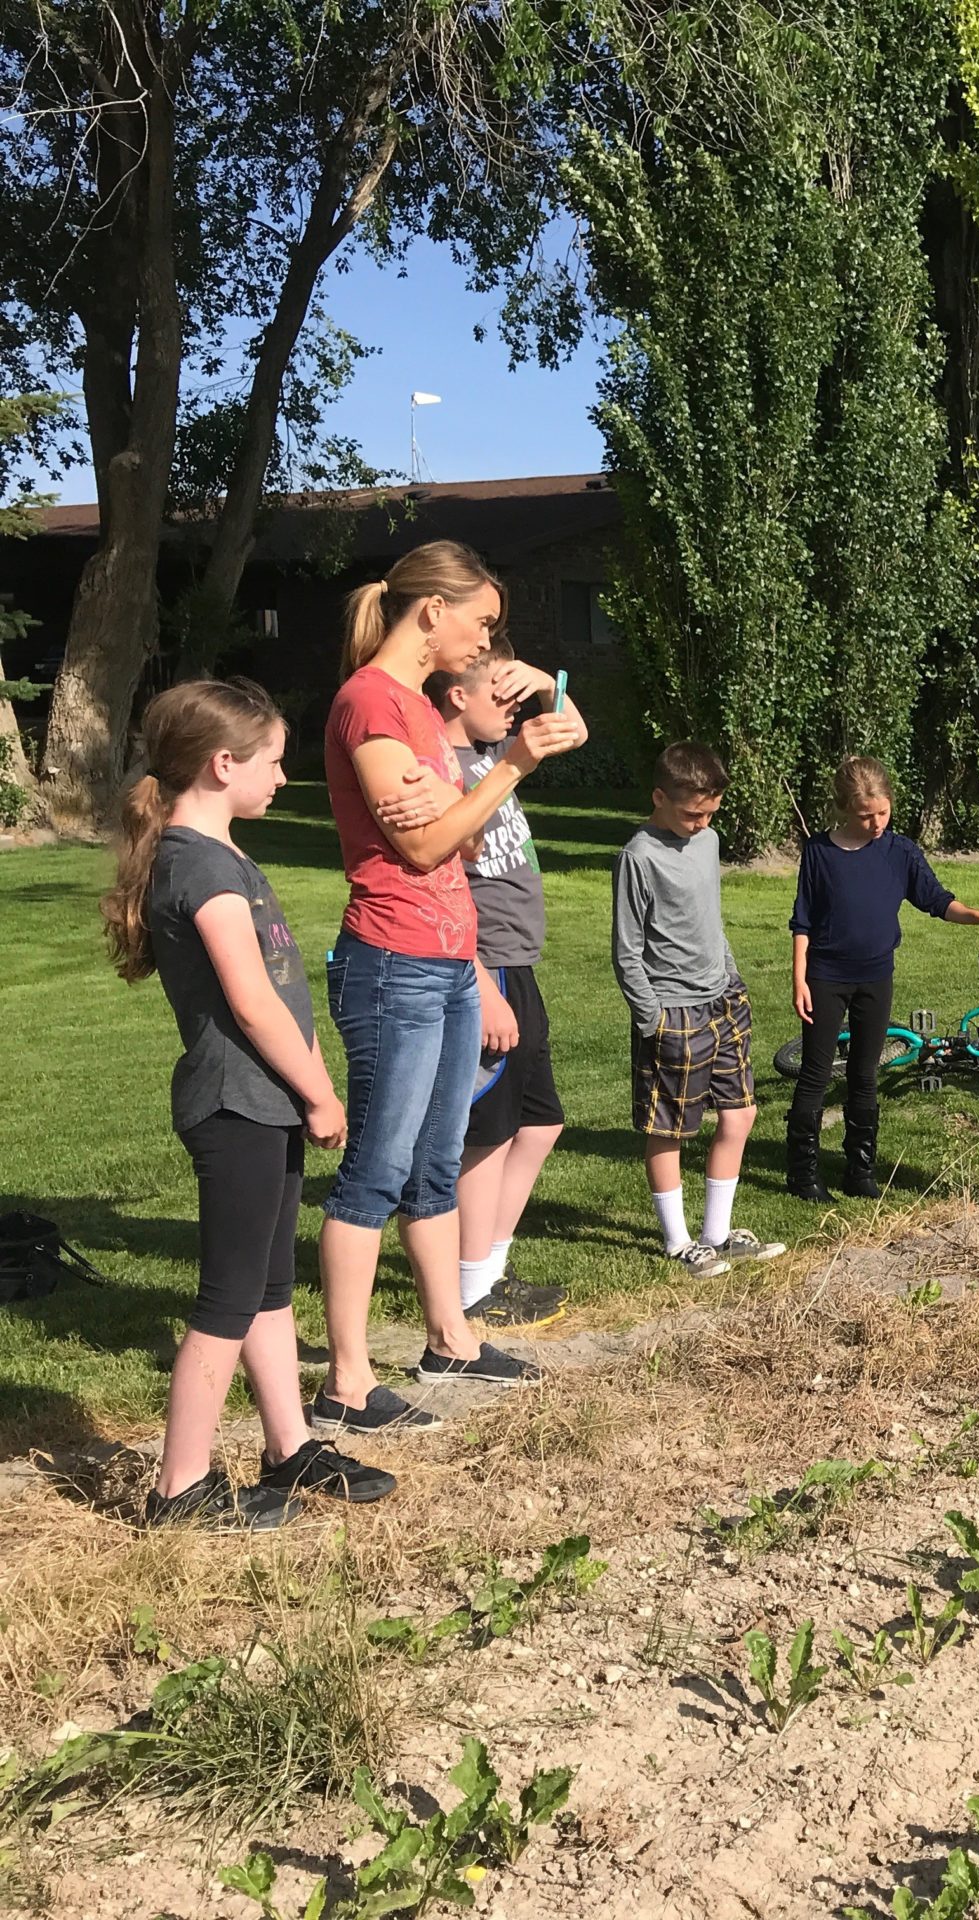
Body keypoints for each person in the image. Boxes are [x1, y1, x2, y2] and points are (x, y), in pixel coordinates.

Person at [103, 679, 396, 1526]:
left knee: (269, 1288)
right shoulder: (196, 864)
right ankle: (180, 1489)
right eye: (272, 762)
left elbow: (280, 993)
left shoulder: (220, 855)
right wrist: (322, 1093)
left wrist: (307, 1090)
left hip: (265, 1103)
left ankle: (288, 1448)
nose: (282, 777)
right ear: (223, 764)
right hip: (235, 1106)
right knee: (227, 1299)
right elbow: (251, 1001)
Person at [317, 541, 586, 1437]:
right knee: (375, 1173)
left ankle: (450, 1340)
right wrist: (510, 766)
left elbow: (459, 839)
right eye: (480, 620)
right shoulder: (369, 703)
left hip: (446, 960)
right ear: (431, 611)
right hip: (391, 961)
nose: (486, 639)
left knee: (436, 1163)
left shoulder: (425, 718)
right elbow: (429, 846)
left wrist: (466, 789)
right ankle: (348, 1384)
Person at [786, 756, 979, 1203]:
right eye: (864, 815)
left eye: (882, 812)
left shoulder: (900, 852)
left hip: (876, 976)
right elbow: (803, 921)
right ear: (843, 810)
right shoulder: (819, 852)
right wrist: (800, 978)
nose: (875, 823)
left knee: (865, 1074)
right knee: (815, 1074)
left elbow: (936, 900)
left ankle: (860, 1169)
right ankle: (803, 1174)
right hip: (825, 977)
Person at [423, 643, 567, 1331]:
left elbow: (568, 727)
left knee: (540, 1122)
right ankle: (473, 1285)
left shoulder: (491, 757)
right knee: (489, 1132)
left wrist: (545, 680)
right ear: (456, 697)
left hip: (518, 960)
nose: (514, 714)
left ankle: (488, 1269)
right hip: (484, 966)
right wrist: (480, 982)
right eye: (501, 701)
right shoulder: (443, 771)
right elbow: (440, 884)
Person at [614, 743, 787, 1277]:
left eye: (710, 812)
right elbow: (626, 950)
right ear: (660, 797)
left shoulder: (708, 840)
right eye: (692, 813)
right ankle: (677, 1241)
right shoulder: (638, 856)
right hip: (673, 1012)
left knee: (740, 1114)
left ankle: (718, 1234)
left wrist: (731, 976)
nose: (702, 822)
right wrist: (653, 1018)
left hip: (724, 1001)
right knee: (669, 1127)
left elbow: (710, 919)